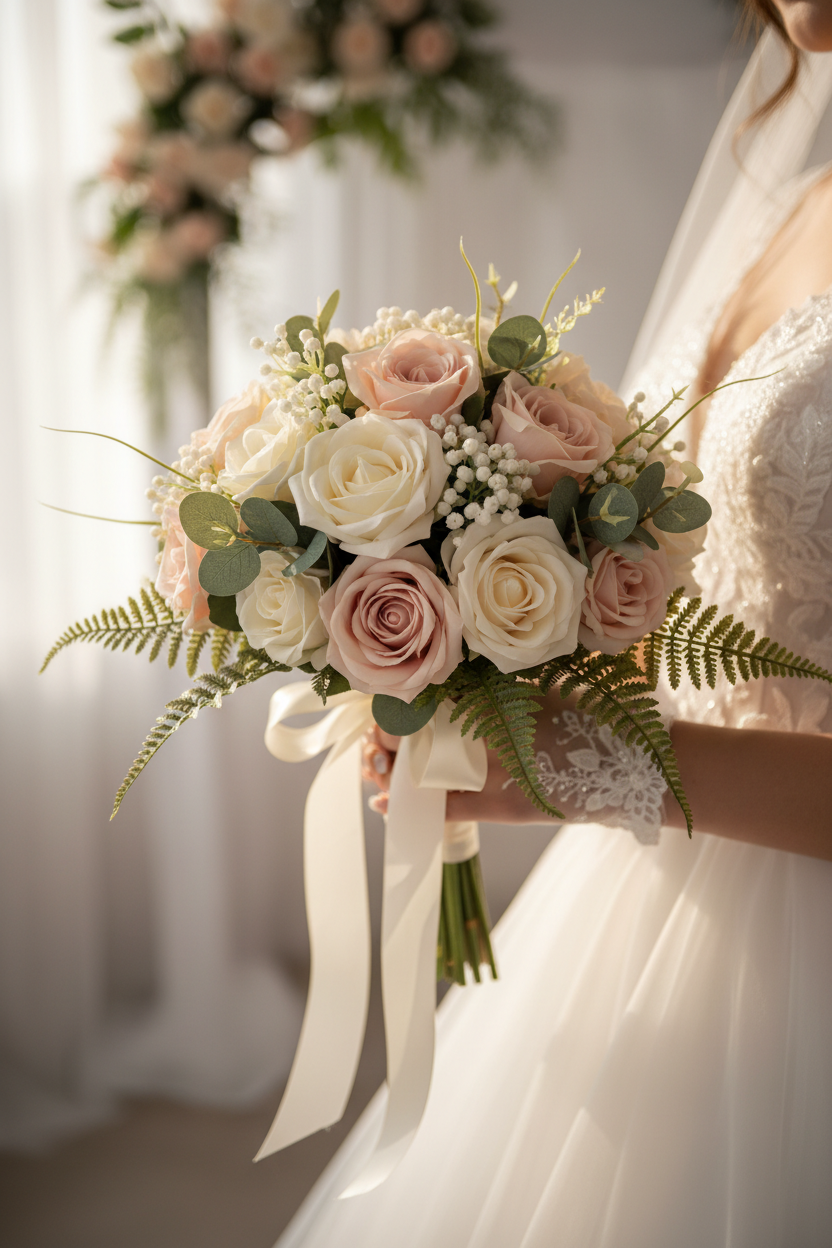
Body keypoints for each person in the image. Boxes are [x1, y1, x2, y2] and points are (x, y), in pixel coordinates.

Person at [277, 4, 832, 1244]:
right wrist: (476, 655)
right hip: (665, 894)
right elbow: (728, 580)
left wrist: (584, 764)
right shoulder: (797, 196)